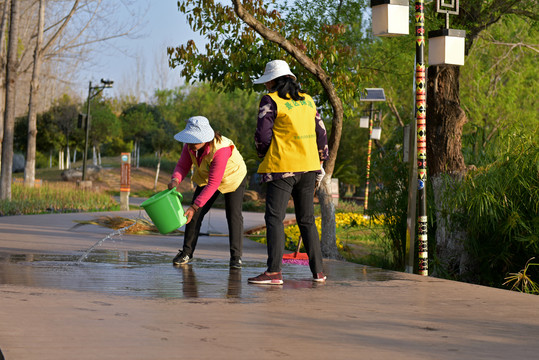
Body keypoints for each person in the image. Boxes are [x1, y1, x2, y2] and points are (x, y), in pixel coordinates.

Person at [247, 60, 329, 285]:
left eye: (267, 82)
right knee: (307, 220)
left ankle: (274, 272)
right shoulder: (309, 101)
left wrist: (263, 152)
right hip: (309, 167)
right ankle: (318, 272)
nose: (266, 87)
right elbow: (321, 134)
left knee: (274, 218)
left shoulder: (270, 101)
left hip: (282, 168)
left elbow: (263, 135)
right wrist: (321, 160)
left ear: (273, 81)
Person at [168, 116, 247, 269]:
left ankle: (236, 257)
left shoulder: (221, 149)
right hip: (208, 177)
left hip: (233, 177)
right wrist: (175, 180)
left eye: (195, 140)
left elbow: (214, 183)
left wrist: (194, 205)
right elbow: (183, 166)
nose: (191, 144)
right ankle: (186, 252)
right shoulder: (190, 146)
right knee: (194, 215)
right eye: (189, 140)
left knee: (233, 215)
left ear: (205, 138)